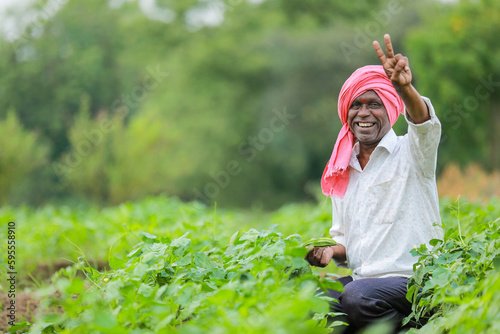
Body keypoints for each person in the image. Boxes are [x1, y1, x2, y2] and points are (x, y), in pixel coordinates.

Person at [306, 34, 443, 333]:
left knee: (357, 298)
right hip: (364, 283)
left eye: (374, 104)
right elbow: (345, 240)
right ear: (347, 112)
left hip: (413, 281)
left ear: (391, 111)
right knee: (309, 299)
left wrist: (405, 87)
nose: (364, 113)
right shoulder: (343, 169)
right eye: (356, 105)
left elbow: (423, 122)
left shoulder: (413, 152)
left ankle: (418, 326)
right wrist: (329, 251)